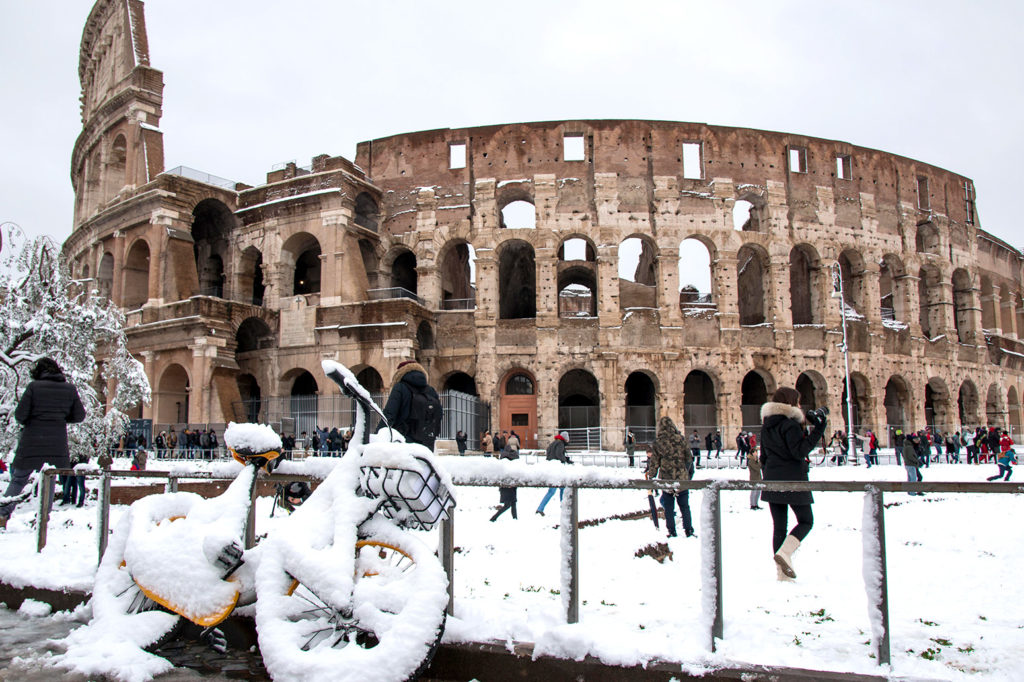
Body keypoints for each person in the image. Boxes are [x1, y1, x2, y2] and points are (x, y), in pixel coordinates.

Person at [0, 358, 87, 529]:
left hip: (31, 440)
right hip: (56, 443)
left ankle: (3, 514)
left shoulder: (34, 387)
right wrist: (59, 418)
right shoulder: (69, 389)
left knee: (18, 480)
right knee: (50, 480)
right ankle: (43, 519)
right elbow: (79, 416)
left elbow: (20, 415)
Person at [759, 387, 826, 581]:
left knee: (779, 526)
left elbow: (763, 457)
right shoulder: (789, 425)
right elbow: (799, 451)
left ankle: (782, 574)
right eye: (797, 402)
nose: (799, 406)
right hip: (793, 478)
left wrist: (770, 474)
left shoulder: (767, 425)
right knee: (806, 520)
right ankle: (785, 553)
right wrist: (819, 430)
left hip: (772, 478)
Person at [645, 415, 695, 539]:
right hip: (681, 479)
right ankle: (688, 530)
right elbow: (689, 458)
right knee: (684, 506)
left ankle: (672, 531)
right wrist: (686, 473)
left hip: (666, 478)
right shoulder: (681, 440)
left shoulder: (658, 442)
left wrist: (651, 476)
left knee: (668, 507)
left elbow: (654, 462)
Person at [381, 360, 443, 451]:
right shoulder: (431, 390)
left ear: (400, 373)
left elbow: (389, 413)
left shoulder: (400, 387)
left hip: (403, 440)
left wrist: (378, 434)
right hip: (427, 441)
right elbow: (439, 414)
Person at [537, 431, 570, 515]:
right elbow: (559, 454)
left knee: (560, 488)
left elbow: (550, 454)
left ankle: (562, 506)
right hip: (556, 469)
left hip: (551, 468)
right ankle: (541, 508)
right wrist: (565, 460)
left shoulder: (553, 443)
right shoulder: (560, 444)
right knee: (553, 490)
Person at [490, 430, 520, 521]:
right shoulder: (513, 457)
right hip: (510, 483)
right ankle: (493, 518)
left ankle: (515, 518)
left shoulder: (503, 458)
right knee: (509, 504)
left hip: (505, 483)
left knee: (513, 502)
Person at [748, 433, 763, 510]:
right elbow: (757, 467)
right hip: (754, 478)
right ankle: (752, 504)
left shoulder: (755, 460)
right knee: (754, 491)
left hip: (758, 477)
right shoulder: (751, 461)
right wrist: (759, 464)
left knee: (758, 492)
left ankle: (756, 504)